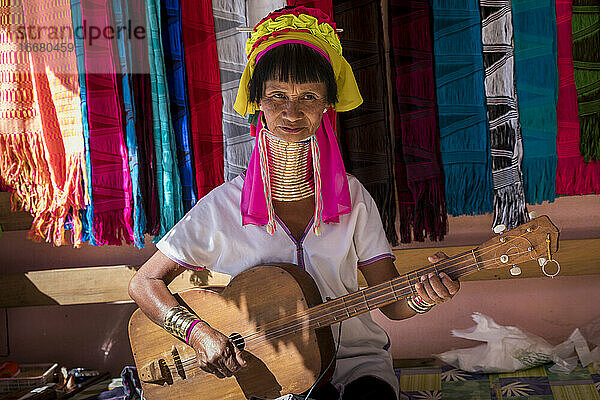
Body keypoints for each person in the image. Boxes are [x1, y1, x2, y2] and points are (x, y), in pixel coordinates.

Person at [128, 6, 460, 400]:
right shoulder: (223, 206)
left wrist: (426, 295)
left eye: (308, 97)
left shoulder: (354, 198)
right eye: (277, 96)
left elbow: (391, 303)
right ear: (257, 102)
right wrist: (198, 333)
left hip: (357, 364)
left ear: (326, 105)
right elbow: (143, 282)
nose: (291, 111)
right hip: (270, 375)